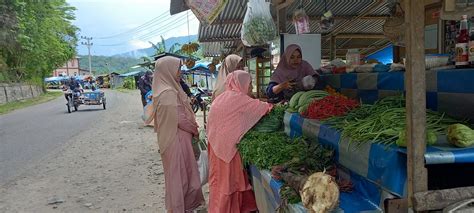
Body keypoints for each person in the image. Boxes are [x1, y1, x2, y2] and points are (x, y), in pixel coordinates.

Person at [144, 56, 204, 212]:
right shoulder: (168, 93)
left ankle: (183, 207)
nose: (180, 72)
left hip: (175, 139)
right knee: (180, 177)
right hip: (177, 140)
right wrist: (194, 129)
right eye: (178, 68)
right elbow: (180, 120)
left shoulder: (167, 89)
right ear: (168, 70)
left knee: (181, 175)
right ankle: (179, 208)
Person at [207, 70, 273, 212]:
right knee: (229, 184)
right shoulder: (239, 99)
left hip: (215, 146)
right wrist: (276, 105)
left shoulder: (222, 97)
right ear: (240, 84)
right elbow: (264, 108)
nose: (251, 88)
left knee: (220, 182)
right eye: (249, 85)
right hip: (228, 149)